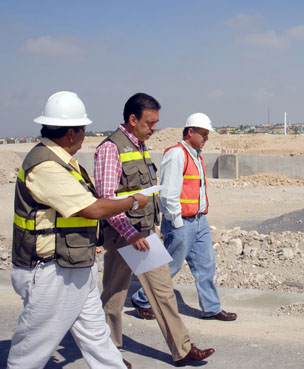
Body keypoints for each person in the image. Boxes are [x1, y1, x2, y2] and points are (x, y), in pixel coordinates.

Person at [7, 91, 145, 369]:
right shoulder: (45, 165)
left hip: (74, 265)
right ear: (71, 133)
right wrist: (132, 200)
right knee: (33, 347)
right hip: (51, 271)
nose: (84, 137)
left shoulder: (61, 161)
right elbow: (91, 208)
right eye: (83, 130)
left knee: (95, 335)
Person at [95, 93, 214, 366]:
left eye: (156, 123)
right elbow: (107, 199)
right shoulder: (111, 149)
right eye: (150, 123)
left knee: (162, 292)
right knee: (113, 297)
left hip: (144, 234)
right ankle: (108, 353)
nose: (154, 129)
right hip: (123, 236)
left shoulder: (139, 146)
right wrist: (130, 233)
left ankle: (182, 349)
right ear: (132, 119)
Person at [131, 113, 237, 321]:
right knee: (170, 266)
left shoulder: (196, 155)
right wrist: (177, 223)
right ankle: (142, 299)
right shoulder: (177, 154)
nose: (206, 139)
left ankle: (211, 308)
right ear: (191, 132)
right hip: (182, 223)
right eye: (204, 134)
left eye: (207, 134)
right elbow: (168, 193)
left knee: (206, 266)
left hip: (199, 221)